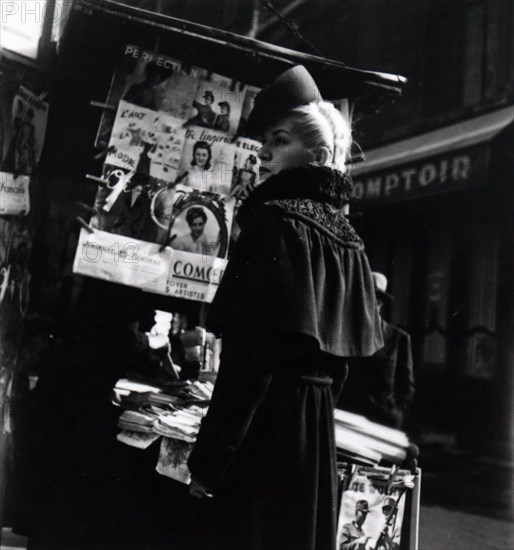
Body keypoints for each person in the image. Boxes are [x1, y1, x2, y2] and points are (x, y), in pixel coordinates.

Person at [186, 65, 383, 550]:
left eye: (280, 141)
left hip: (265, 431)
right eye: (266, 141)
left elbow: (247, 367)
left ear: (314, 154)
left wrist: (209, 461)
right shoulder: (349, 240)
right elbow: (341, 369)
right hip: (315, 434)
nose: (265, 154)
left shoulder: (273, 223)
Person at [339, 272, 415, 428]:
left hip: (383, 423)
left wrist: (395, 413)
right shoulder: (346, 333)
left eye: (370, 298)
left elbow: (406, 388)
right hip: (348, 419)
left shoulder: (398, 338)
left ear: (380, 303)